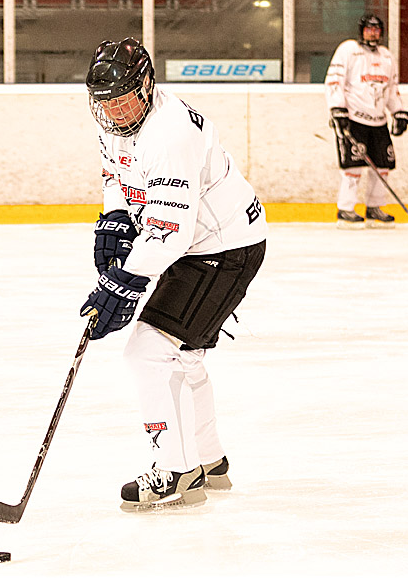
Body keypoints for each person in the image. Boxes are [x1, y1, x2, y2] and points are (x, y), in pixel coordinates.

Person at [79, 38, 267, 513]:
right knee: (183, 358)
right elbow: (118, 177)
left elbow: (168, 232)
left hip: (220, 248)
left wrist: (120, 283)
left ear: (146, 87)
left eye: (123, 100)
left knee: (146, 353)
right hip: (210, 243)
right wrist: (116, 219)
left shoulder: (169, 133)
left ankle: (174, 471)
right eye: (105, 103)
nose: (115, 112)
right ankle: (207, 460)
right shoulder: (116, 123)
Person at [325, 13, 408, 229]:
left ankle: (374, 208)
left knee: (382, 166)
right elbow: (334, 81)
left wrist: (398, 111)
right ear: (361, 30)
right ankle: (346, 209)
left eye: (377, 29)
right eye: (369, 29)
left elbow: (391, 89)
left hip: (379, 122)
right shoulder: (348, 50)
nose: (373, 33)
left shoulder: (387, 57)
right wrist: (337, 109)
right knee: (353, 167)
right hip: (353, 119)